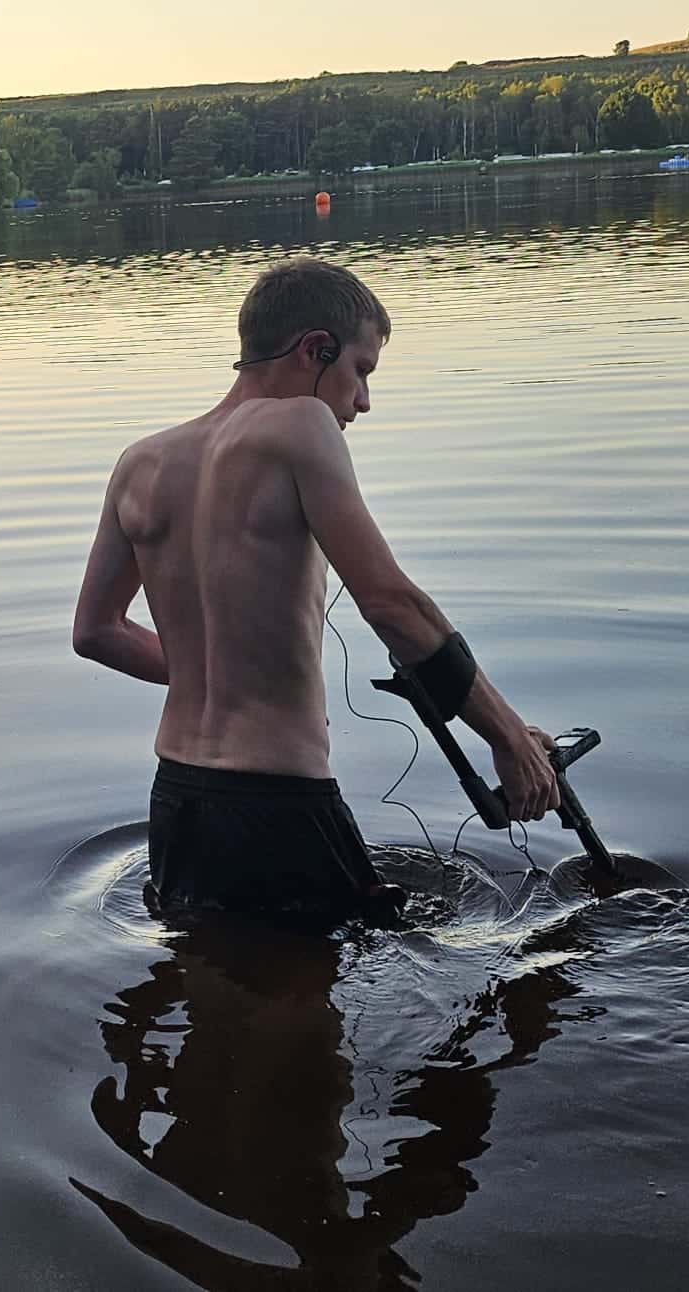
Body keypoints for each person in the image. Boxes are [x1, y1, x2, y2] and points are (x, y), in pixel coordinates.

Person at [71, 256, 558, 924]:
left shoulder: (141, 463)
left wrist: (206, 671)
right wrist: (508, 737)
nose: (362, 400)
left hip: (177, 798)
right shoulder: (300, 424)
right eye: (360, 371)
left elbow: (96, 631)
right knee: (302, 1020)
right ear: (313, 350)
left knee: (218, 1007)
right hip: (277, 800)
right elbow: (391, 603)